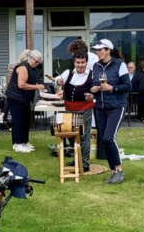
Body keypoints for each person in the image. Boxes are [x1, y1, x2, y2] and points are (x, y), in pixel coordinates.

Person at [91, 39, 131, 184]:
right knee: (103, 140)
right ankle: (113, 171)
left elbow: (128, 86)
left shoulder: (119, 64)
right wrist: (93, 90)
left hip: (116, 106)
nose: (97, 52)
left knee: (109, 138)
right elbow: (92, 85)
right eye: (96, 50)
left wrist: (113, 88)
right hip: (100, 107)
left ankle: (119, 170)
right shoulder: (96, 66)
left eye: (100, 49)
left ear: (108, 50)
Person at [55, 51, 95, 172]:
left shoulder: (92, 74)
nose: (80, 65)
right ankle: (77, 158)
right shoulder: (68, 73)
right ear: (74, 62)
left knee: (83, 136)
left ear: (86, 62)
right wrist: (58, 81)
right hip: (69, 110)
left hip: (85, 109)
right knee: (70, 134)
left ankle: (85, 163)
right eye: (78, 62)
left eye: (83, 62)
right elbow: (58, 79)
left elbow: (96, 90)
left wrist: (92, 96)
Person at [5, 49, 44, 153]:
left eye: (38, 63)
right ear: (30, 58)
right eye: (35, 61)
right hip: (16, 97)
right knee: (18, 120)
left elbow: (34, 81)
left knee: (26, 120)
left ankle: (24, 142)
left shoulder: (33, 68)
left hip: (25, 98)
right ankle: (17, 143)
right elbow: (21, 85)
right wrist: (37, 87)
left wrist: (38, 87)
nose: (36, 64)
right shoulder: (23, 67)